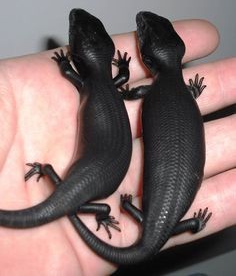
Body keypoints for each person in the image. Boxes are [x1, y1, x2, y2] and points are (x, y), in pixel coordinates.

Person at [0, 18, 234, 275]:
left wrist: (194, 223)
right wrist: (124, 207)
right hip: (151, 154)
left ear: (149, 59)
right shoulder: (170, 89)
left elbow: (129, 92)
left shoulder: (152, 89)